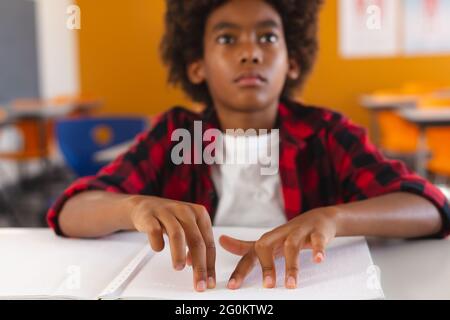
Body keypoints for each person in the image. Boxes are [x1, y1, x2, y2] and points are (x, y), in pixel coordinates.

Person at [47, 0, 450, 293]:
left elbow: (431, 207)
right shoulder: (175, 133)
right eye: (227, 38)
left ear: (291, 60)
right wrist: (132, 207)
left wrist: (334, 218)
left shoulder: (327, 133)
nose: (250, 52)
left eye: (268, 37)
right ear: (197, 66)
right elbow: (70, 211)